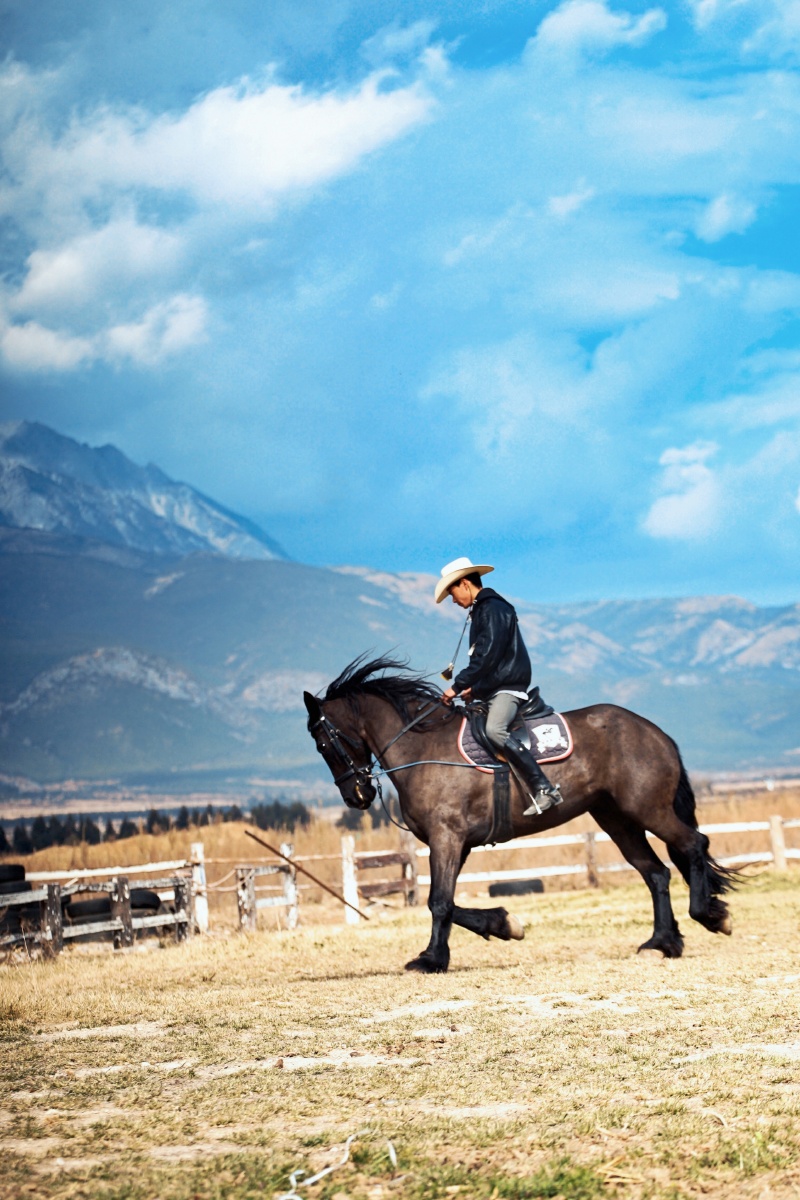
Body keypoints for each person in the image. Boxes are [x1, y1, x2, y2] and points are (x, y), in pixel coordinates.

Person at [435, 556, 562, 815]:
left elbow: (488, 656)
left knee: (494, 730)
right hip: (493, 687)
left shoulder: (492, 609)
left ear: (465, 584)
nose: (453, 600)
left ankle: (544, 788)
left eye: (452, 592)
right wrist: (475, 689)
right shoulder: (482, 610)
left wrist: (457, 687)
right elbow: (489, 661)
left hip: (508, 688)